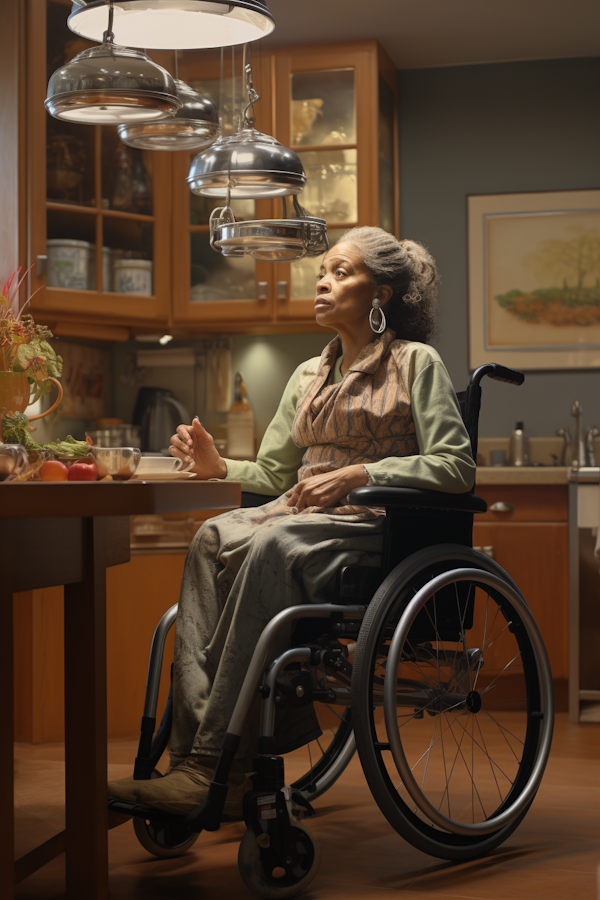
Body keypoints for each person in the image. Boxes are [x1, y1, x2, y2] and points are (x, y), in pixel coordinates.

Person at [108, 226, 475, 819]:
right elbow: (277, 474)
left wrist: (362, 474)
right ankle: (195, 764)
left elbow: (456, 465)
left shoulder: (414, 363)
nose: (322, 281)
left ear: (380, 294)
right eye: (322, 271)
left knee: (272, 542)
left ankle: (211, 767)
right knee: (211, 535)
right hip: (299, 516)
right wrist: (217, 464)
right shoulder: (308, 375)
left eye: (340, 271)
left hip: (373, 524)